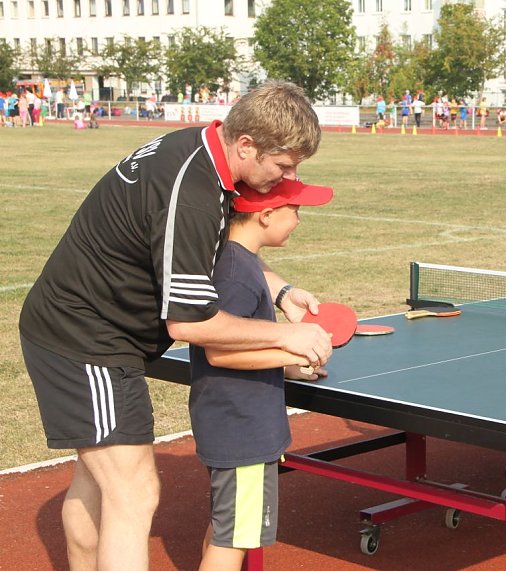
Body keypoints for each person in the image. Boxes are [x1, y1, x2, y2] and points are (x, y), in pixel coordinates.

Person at [18, 80, 334, 570]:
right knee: (134, 490)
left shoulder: (207, 151)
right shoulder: (193, 191)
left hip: (86, 330)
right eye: (284, 166)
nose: (287, 177)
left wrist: (281, 292)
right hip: (86, 338)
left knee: (96, 480)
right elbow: (190, 324)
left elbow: (216, 251)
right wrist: (285, 334)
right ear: (246, 144)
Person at [190, 177, 333, 571]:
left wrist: (287, 364)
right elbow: (220, 352)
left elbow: (242, 345)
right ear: (267, 215)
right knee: (235, 539)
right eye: (296, 211)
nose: (300, 221)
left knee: (227, 528)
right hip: (243, 431)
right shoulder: (235, 274)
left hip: (233, 423)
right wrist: (289, 346)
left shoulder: (238, 259)